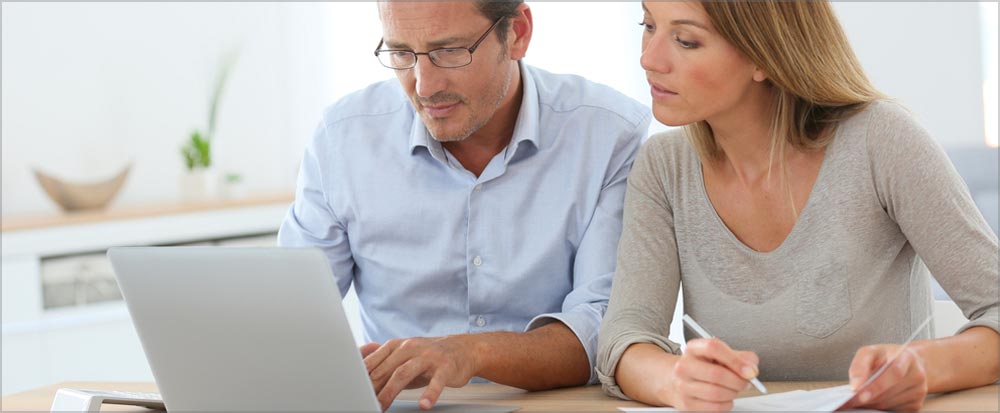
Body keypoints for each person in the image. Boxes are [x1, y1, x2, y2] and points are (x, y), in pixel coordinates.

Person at [596, 1, 999, 411]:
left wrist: (922, 367)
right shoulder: (664, 166)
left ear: (764, 55)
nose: (649, 58)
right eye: (647, 25)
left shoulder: (882, 141)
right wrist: (673, 380)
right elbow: (625, 338)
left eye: (686, 41)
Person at [278, 1, 650, 410]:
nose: (423, 85)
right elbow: (291, 316)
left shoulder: (610, 135)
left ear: (517, 33)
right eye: (402, 53)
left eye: (449, 51)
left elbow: (607, 332)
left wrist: (469, 352)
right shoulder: (342, 140)